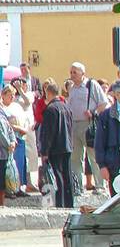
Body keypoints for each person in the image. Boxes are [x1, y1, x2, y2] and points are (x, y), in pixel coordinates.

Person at [67, 62, 109, 195]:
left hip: (88, 125)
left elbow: (104, 103)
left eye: (75, 72)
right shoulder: (72, 88)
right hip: (74, 125)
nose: (72, 75)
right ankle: (77, 187)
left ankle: (100, 186)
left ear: (82, 73)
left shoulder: (92, 85)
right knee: (75, 157)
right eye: (71, 72)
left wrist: (93, 112)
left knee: (93, 156)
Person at [37, 80, 74, 208]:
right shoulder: (66, 107)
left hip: (55, 147)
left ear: (48, 93)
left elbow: (48, 133)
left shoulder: (50, 109)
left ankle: (60, 203)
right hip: (67, 146)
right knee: (67, 176)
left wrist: (44, 151)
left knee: (57, 177)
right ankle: (69, 203)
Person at [1, 82, 33, 197]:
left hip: (19, 137)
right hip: (8, 139)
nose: (12, 97)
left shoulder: (16, 106)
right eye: (10, 95)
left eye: (13, 95)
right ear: (3, 95)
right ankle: (9, 189)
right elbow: (6, 125)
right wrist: (17, 128)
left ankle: (18, 186)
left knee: (20, 163)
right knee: (8, 165)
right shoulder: (2, 108)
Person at [0, 100, 14, 207]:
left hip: (4, 153)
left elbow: (10, 129)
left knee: (2, 179)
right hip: (3, 151)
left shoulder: (2, 113)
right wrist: (9, 144)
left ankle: (2, 203)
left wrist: (13, 141)